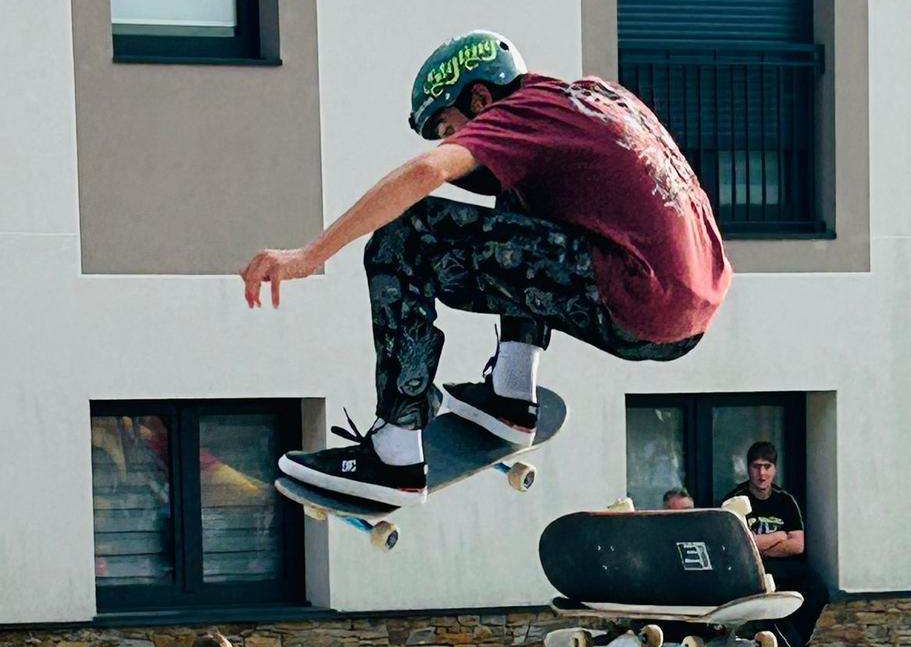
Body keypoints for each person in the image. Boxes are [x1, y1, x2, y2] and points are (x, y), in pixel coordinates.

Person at [239, 30, 732, 505]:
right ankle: (513, 392)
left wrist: (310, 255)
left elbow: (426, 172)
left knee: (404, 235)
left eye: (450, 129)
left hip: (639, 299)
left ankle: (394, 451)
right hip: (694, 308)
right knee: (514, 179)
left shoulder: (520, 112)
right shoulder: (595, 99)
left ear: (480, 97)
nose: (453, 141)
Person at [721, 442, 828, 647]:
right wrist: (779, 536)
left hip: (785, 565)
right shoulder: (735, 499)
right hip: (751, 568)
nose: (762, 474)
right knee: (772, 600)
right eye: (756, 467)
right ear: (748, 469)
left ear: (775, 469)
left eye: (767, 467)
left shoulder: (785, 500)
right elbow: (737, 546)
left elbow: (797, 545)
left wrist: (758, 544)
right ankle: (791, 645)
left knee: (818, 589)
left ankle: (799, 640)